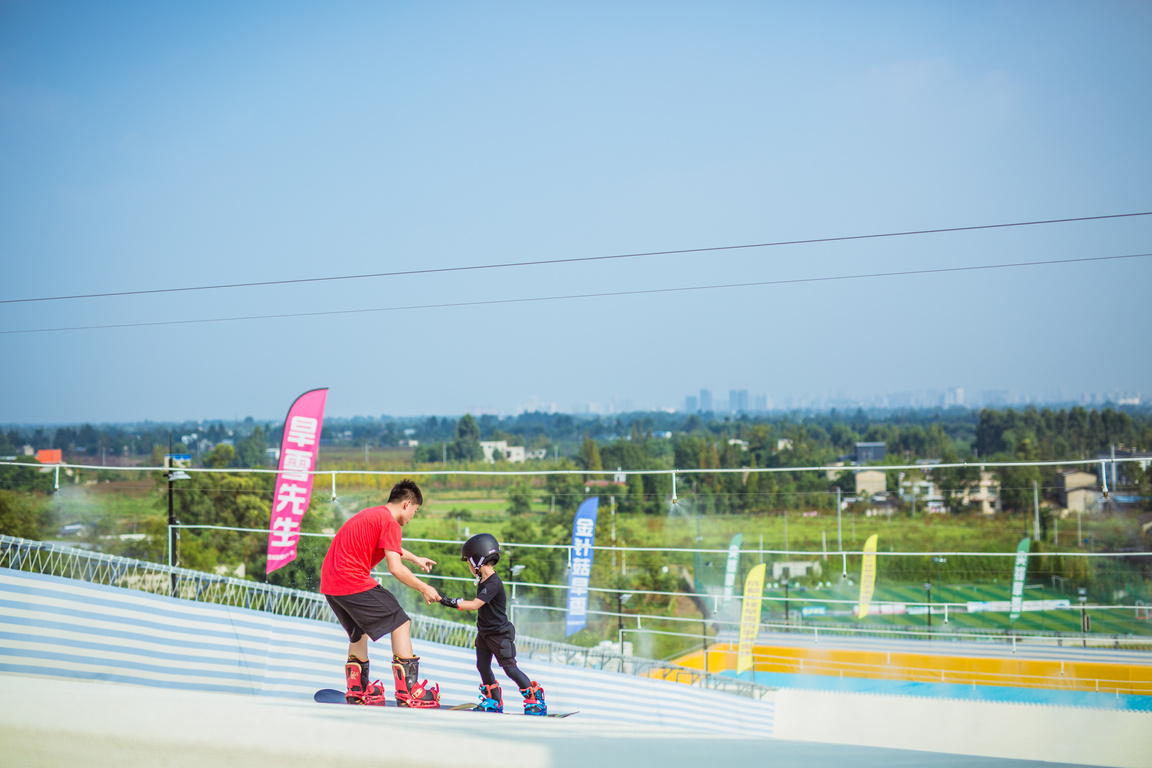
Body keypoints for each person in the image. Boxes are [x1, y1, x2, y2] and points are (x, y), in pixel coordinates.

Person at [320, 479, 442, 707]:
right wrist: (424, 587)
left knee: (358, 632)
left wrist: (414, 558)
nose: (413, 516)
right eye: (415, 511)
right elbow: (395, 568)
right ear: (407, 504)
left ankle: (357, 689)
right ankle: (409, 691)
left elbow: (389, 546)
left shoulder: (373, 515)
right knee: (400, 621)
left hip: (330, 584)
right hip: (352, 580)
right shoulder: (391, 523)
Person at [438, 533, 547, 715]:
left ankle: (535, 699)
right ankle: (493, 700)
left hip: (499, 634)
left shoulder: (493, 583)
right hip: (485, 633)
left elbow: (474, 605)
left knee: (510, 669)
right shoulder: (484, 581)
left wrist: (447, 601)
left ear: (477, 560)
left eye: (469, 561)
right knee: (482, 666)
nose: (469, 566)